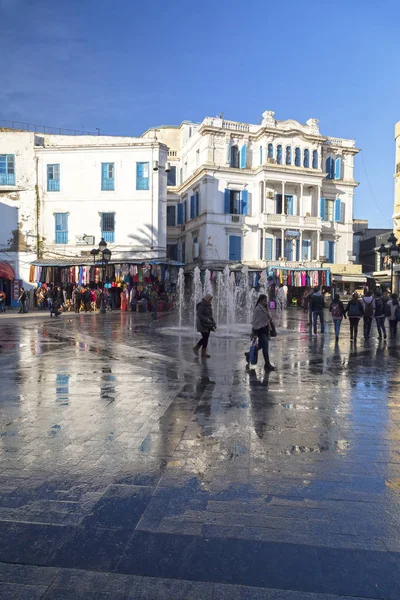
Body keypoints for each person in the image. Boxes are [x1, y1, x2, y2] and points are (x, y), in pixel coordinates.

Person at [251, 294, 276, 370]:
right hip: (260, 331)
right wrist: (254, 333)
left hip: (265, 330)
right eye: (265, 301)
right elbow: (255, 322)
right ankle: (267, 364)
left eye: (266, 301)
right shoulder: (258, 309)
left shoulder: (264, 308)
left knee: (262, 346)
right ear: (261, 300)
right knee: (265, 346)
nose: (266, 302)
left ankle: (249, 354)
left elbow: (267, 319)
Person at [193, 294, 216, 358]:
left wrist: (214, 324)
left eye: (211, 300)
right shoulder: (202, 305)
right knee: (205, 337)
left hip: (207, 324)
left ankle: (203, 353)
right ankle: (196, 348)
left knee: (206, 338)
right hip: (201, 324)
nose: (210, 301)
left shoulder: (209, 306)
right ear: (206, 299)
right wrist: (206, 319)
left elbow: (210, 316)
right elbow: (198, 314)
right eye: (209, 299)